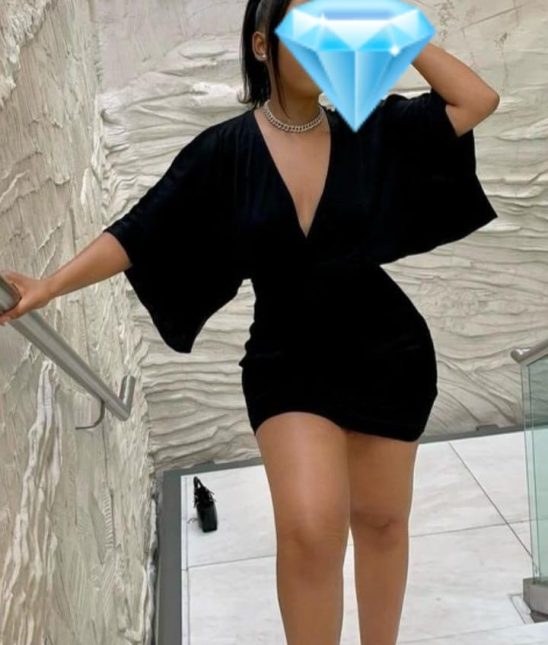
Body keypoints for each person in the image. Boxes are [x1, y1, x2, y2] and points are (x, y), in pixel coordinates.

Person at [0, 0, 500, 643]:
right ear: (263, 46)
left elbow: (475, 100)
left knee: (382, 522)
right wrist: (49, 286)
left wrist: (391, 25)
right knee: (310, 529)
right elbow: (141, 231)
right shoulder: (225, 152)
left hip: (388, 353)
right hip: (288, 362)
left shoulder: (369, 128)